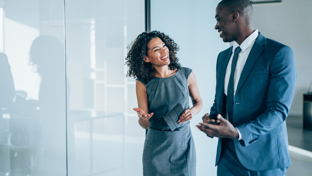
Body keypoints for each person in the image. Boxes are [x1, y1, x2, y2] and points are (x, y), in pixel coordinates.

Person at [196, 0, 297, 175]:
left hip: (264, 158)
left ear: (235, 16)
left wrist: (237, 132)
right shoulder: (223, 57)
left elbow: (278, 111)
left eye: (219, 19)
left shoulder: (279, 53)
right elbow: (220, 100)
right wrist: (213, 122)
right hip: (227, 156)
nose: (216, 26)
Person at [125, 31, 203, 176]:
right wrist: (143, 118)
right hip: (155, 146)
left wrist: (192, 111)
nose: (164, 50)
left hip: (183, 144)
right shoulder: (143, 82)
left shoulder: (186, 74)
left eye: (164, 45)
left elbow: (199, 102)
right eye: (156, 49)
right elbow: (144, 124)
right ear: (146, 58)